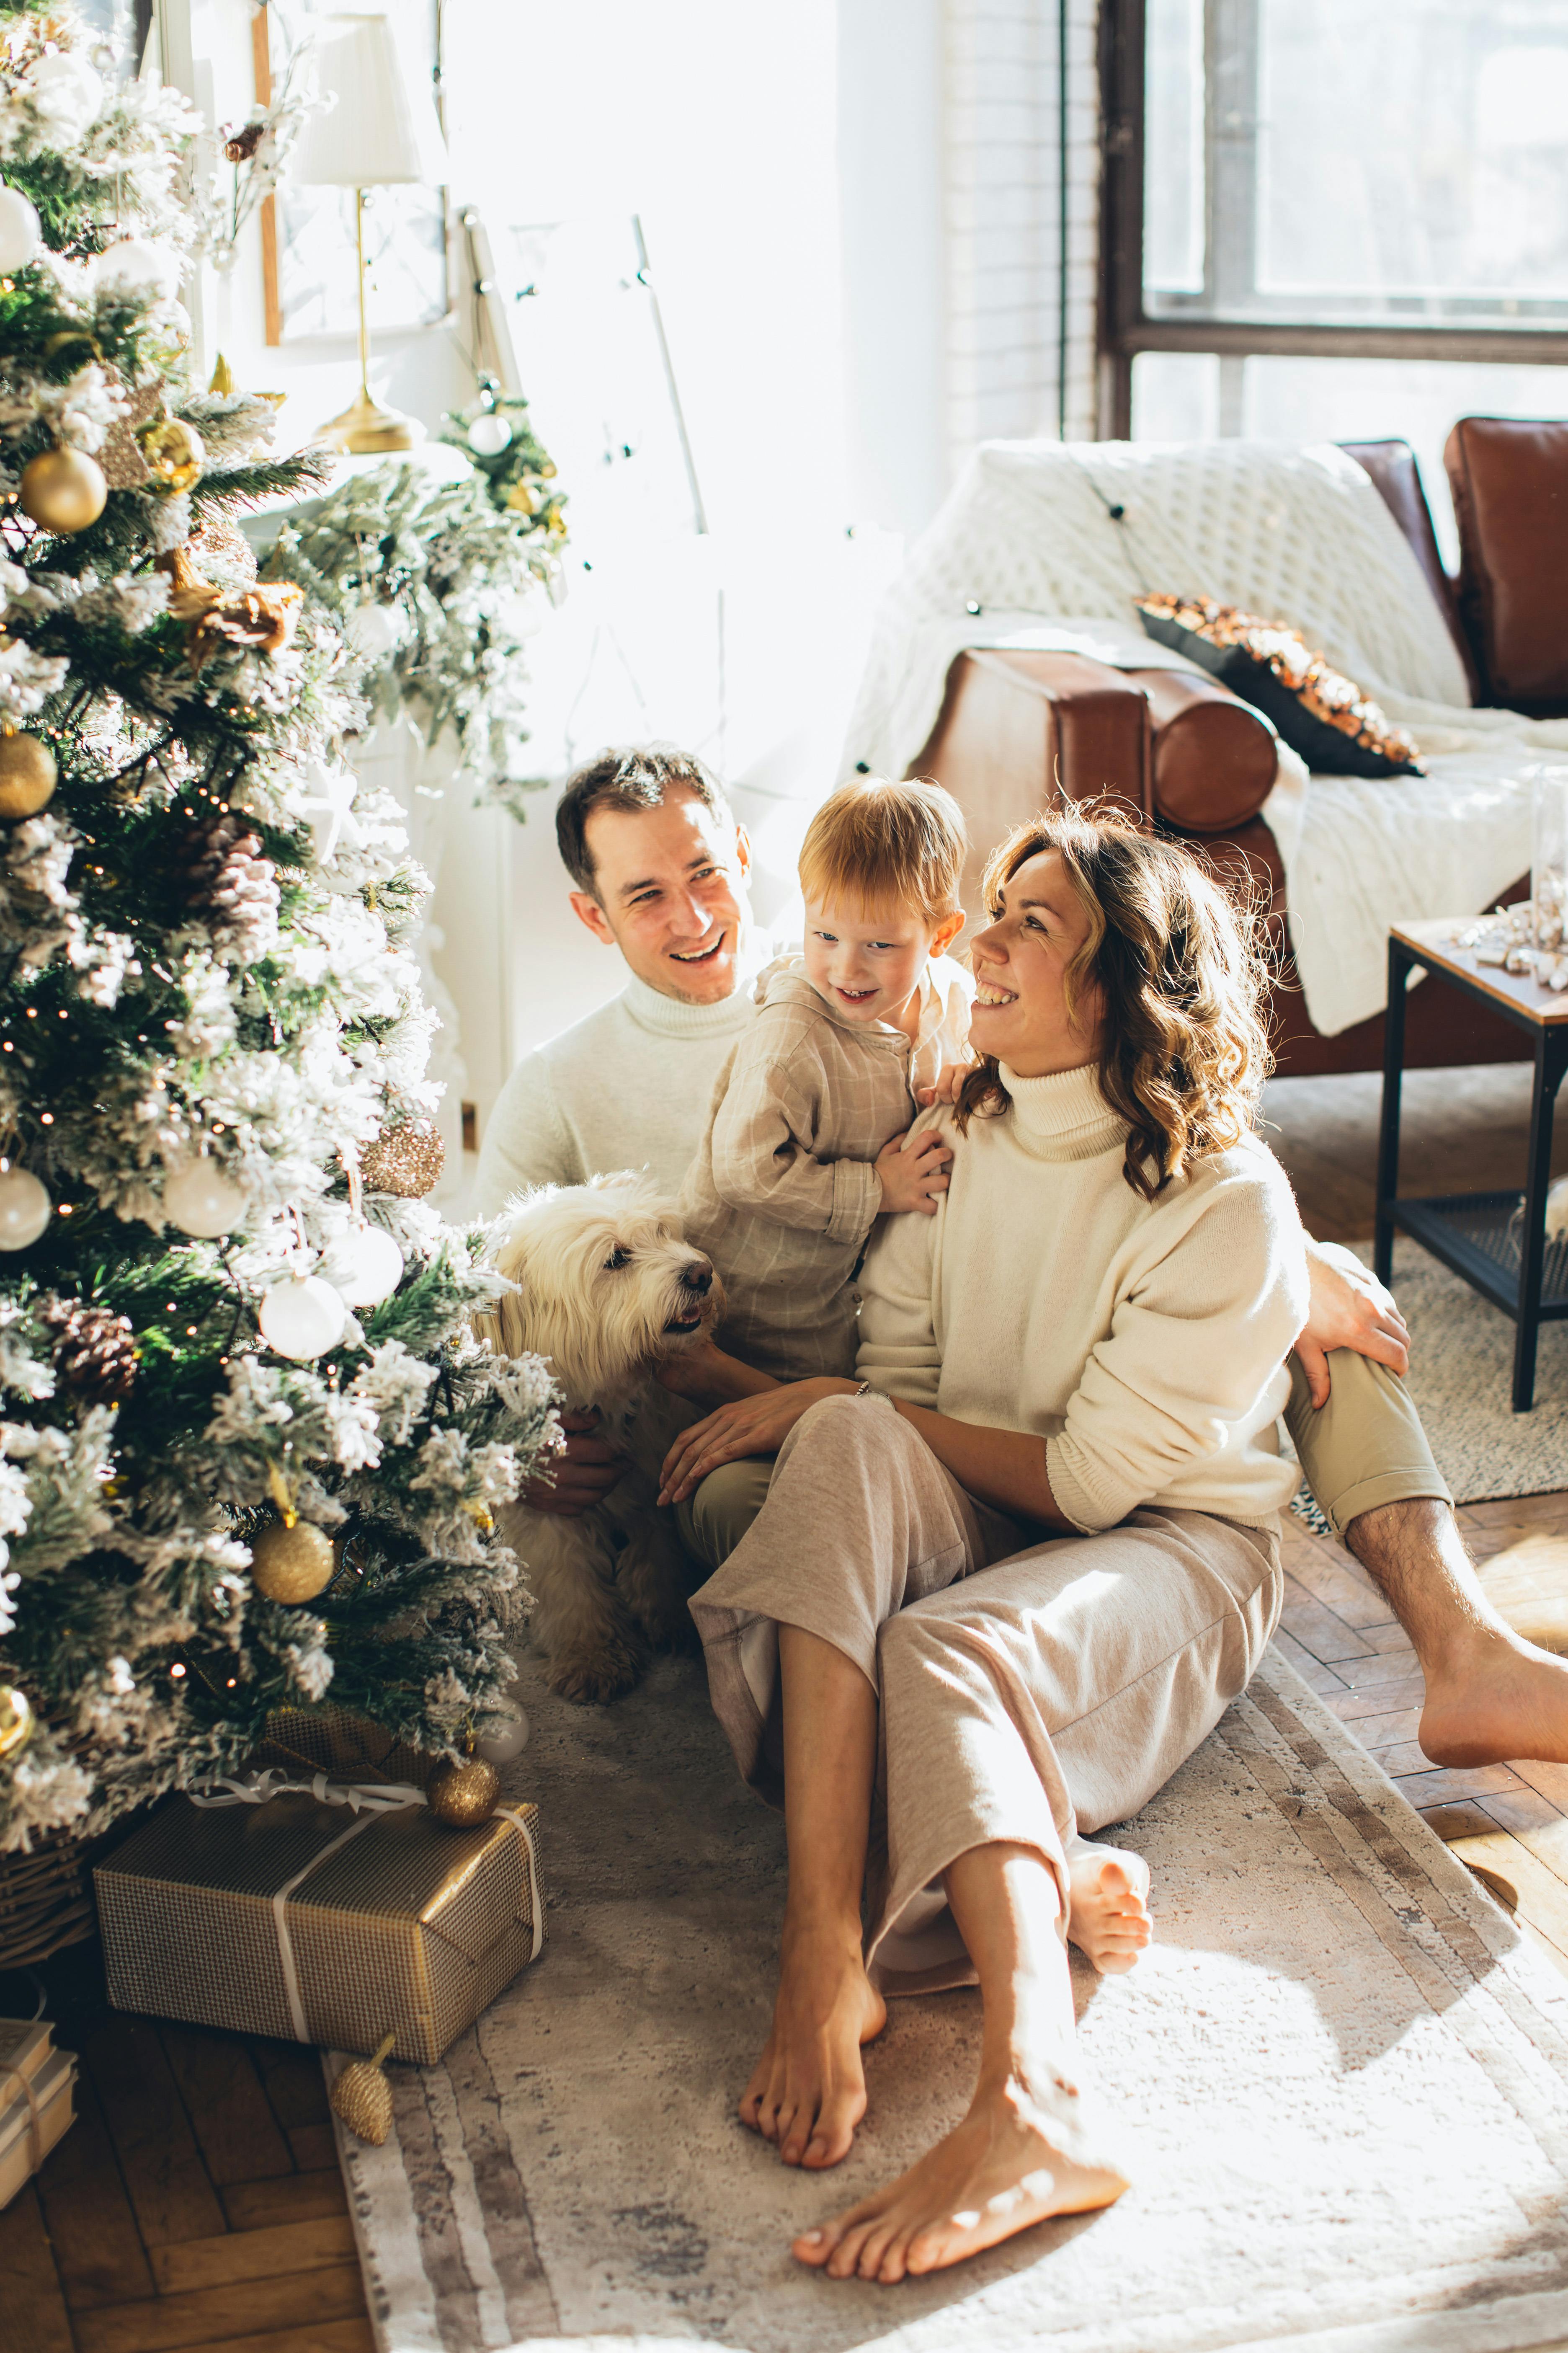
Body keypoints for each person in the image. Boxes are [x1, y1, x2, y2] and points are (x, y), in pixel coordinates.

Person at [475, 741, 1568, 1773]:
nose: (694, 912)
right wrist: (516, 1448)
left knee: (1327, 1290)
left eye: (707, 872)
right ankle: (961, 1688)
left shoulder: (863, 957)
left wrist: (1280, 1245)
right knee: (743, 1504)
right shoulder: (557, 1087)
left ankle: (1463, 1646)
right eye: (646, 895)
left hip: (942, 1351)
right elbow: (482, 1313)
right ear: (591, 913)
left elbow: (1113, 1084)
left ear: (752, 864)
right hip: (788, 1392)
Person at [657, 807, 1307, 2275]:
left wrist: (844, 1402)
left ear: (1119, 988)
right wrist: (836, 1405)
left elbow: (1088, 1480)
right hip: (1005, 1500)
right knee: (841, 1438)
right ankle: (826, 1942)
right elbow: (901, 1381)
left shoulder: (1223, 1201)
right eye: (993, 907)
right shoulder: (963, 1133)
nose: (980, 940)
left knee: (937, 1642)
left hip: (1174, 1540)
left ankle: (1039, 2095)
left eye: (1030, 922)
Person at [679, 775, 973, 1382]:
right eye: (826, 935)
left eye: (881, 944)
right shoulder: (792, 1031)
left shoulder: (956, 999)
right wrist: (875, 1189)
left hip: (860, 1295)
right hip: (762, 1303)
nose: (847, 966)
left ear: (941, 936)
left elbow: (990, 1061)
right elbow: (743, 1167)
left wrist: (976, 1073)